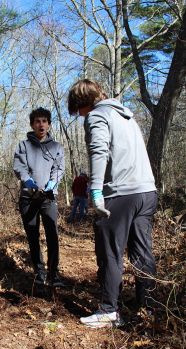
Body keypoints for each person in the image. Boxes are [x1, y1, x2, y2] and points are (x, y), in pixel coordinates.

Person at [68, 79, 157, 328]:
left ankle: (109, 311)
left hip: (120, 193)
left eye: (78, 110)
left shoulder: (97, 115)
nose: (79, 115)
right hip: (146, 191)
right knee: (142, 253)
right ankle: (148, 308)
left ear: (83, 102)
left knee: (110, 253)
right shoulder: (126, 116)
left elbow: (99, 151)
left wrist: (95, 189)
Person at [13, 107, 65, 287]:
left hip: (48, 197)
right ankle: (39, 273)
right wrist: (28, 182)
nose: (41, 124)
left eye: (44, 121)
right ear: (32, 124)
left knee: (52, 234)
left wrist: (52, 183)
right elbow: (19, 167)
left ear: (49, 125)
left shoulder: (57, 147)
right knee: (32, 236)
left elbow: (59, 168)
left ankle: (54, 274)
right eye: (37, 121)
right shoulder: (23, 145)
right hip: (28, 197)